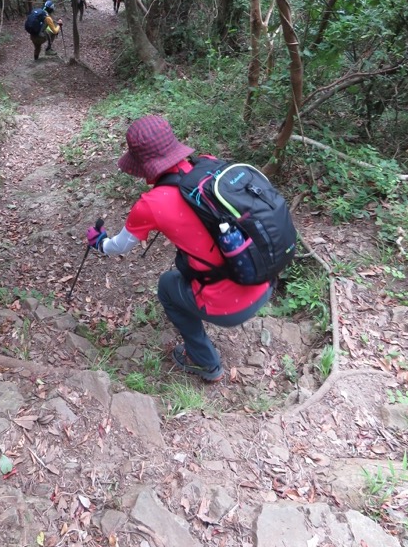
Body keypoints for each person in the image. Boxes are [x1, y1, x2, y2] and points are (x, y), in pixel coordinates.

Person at [86, 116, 273, 383]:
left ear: (142, 164)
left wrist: (99, 243)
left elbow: (120, 245)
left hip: (233, 307)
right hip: (263, 277)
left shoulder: (152, 204)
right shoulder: (210, 166)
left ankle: (206, 363)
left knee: (167, 285)